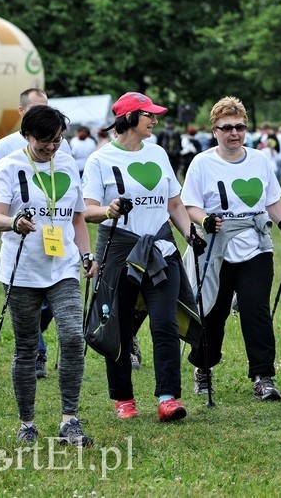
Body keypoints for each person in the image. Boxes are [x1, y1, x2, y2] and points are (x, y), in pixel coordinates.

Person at [181, 96, 281, 401]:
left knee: (256, 312)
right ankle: (203, 367)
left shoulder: (259, 160)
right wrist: (205, 220)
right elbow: (190, 204)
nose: (233, 133)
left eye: (239, 127)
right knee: (214, 311)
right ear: (215, 130)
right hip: (217, 246)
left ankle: (263, 376)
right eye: (226, 128)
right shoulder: (203, 162)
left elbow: (271, 199)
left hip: (255, 247)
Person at [0, 105, 96, 445]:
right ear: (27, 136)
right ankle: (27, 424)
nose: (51, 147)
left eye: (57, 140)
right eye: (44, 141)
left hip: (62, 267)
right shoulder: (9, 166)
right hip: (21, 271)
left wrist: (86, 253)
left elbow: (77, 218)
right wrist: (14, 222)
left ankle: (70, 419)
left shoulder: (67, 163)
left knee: (73, 337)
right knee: (26, 348)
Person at [82, 91, 193, 422]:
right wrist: (108, 209)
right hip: (120, 252)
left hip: (161, 249)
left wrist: (191, 233)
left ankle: (168, 397)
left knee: (165, 323)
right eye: (149, 116)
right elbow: (87, 211)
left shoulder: (158, 153)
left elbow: (174, 204)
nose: (155, 121)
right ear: (130, 118)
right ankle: (123, 399)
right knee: (119, 326)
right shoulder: (99, 160)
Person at [0, 88, 69, 378]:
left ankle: (34, 337)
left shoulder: (55, 145)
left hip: (53, 239)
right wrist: (7, 212)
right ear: (22, 113)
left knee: (48, 306)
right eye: (35, 110)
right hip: (19, 231)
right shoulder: (5, 147)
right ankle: (37, 353)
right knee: (27, 296)